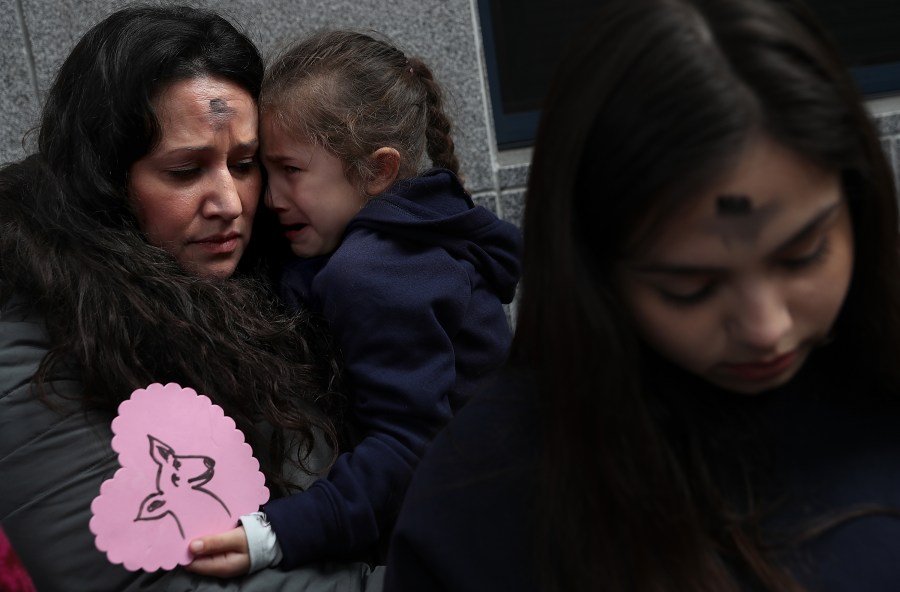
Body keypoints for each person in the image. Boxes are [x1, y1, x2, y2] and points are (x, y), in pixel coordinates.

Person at [384, 0, 900, 590]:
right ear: (595, 270)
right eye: (690, 286)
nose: (766, 328)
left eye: (803, 255)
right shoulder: (482, 500)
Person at [0, 5, 382, 590]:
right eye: (185, 170)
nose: (229, 200)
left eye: (245, 164)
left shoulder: (278, 272)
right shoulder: (35, 331)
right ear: (106, 180)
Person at [188, 29, 521, 574]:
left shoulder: (372, 271)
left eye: (291, 171)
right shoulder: (421, 237)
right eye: (264, 172)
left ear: (377, 170)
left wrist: (277, 533)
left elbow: (409, 450)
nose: (268, 200)